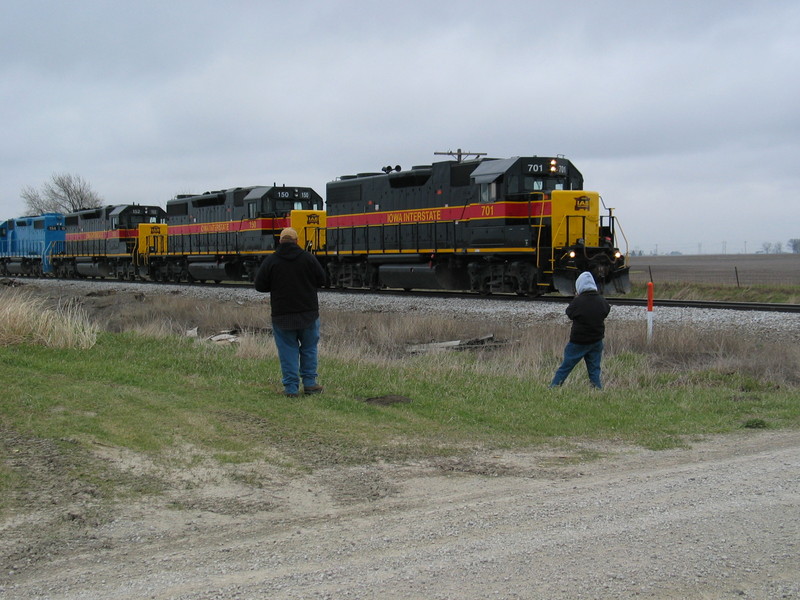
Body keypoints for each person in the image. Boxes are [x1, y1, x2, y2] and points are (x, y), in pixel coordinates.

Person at [254, 227, 327, 397]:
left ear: (280, 241)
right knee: (309, 348)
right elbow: (322, 280)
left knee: (288, 350)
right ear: (296, 241)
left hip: (282, 315)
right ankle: (309, 384)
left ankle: (291, 388)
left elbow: (259, 286)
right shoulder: (308, 258)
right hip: (308, 313)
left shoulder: (271, 261)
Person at [550, 271, 611, 389]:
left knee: (566, 366)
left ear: (579, 286)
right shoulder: (602, 301)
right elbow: (606, 311)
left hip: (578, 342)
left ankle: (554, 386)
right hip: (596, 341)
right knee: (594, 368)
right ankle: (597, 388)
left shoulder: (578, 302)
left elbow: (569, 313)